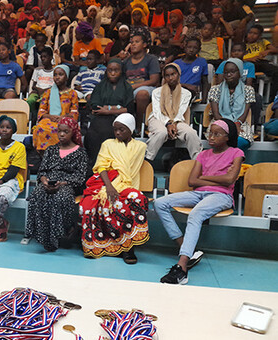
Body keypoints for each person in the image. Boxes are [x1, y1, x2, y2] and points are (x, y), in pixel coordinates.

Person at [155, 119, 244, 285]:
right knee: (160, 203)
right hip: (198, 194)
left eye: (217, 134)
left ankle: (181, 268)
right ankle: (187, 249)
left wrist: (204, 178)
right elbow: (192, 181)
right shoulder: (202, 154)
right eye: (210, 132)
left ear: (227, 137)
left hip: (221, 196)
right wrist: (217, 179)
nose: (211, 137)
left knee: (196, 214)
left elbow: (230, 180)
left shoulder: (236, 153)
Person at [79, 114, 149, 263]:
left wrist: (119, 185)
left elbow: (130, 170)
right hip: (106, 184)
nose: (117, 133)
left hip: (126, 184)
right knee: (93, 205)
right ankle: (97, 245)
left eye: (122, 130)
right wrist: (109, 187)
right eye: (115, 130)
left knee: (136, 199)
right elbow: (101, 166)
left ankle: (129, 248)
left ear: (131, 129)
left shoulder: (140, 146)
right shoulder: (108, 144)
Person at [26, 117, 88, 251]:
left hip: (67, 185)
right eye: (59, 131)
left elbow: (80, 177)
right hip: (48, 182)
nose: (61, 134)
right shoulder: (50, 150)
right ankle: (43, 236)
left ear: (73, 132)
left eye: (66, 131)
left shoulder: (81, 153)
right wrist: (45, 181)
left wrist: (62, 183)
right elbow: (42, 171)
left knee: (60, 198)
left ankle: (58, 236)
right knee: (38, 194)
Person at [146, 63, 202, 162]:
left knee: (191, 133)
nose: (170, 78)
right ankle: (147, 159)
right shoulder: (156, 92)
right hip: (157, 118)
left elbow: (181, 111)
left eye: (173, 74)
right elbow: (157, 111)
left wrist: (173, 123)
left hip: (177, 119)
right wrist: (167, 123)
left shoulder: (186, 93)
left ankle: (198, 161)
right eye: (167, 75)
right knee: (161, 132)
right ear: (164, 78)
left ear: (178, 75)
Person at [85, 59, 134, 167]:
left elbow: (129, 109)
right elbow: (95, 106)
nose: (112, 73)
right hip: (101, 118)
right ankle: (95, 166)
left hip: (121, 119)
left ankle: (111, 166)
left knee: (110, 131)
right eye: (110, 70)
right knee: (93, 134)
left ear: (121, 71)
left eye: (116, 70)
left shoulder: (127, 87)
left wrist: (108, 109)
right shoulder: (100, 86)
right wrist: (118, 107)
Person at [208, 58, 255, 151]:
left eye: (233, 72)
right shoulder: (215, 89)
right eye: (226, 72)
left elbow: (245, 113)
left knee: (242, 141)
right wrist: (228, 127)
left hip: (240, 123)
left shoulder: (248, 90)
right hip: (219, 124)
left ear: (240, 72)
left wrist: (236, 124)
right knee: (219, 139)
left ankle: (231, 162)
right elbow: (216, 115)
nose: (229, 75)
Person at [32, 65, 79, 152]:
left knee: (62, 129)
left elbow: (74, 112)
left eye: (60, 74)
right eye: (55, 75)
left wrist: (63, 117)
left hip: (66, 120)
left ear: (67, 77)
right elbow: (41, 110)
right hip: (49, 119)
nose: (57, 77)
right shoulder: (48, 92)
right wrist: (50, 117)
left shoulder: (72, 93)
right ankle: (45, 155)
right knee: (40, 128)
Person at [124, 31, 160, 131]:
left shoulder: (151, 59)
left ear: (144, 45)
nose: (133, 44)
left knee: (142, 94)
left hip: (147, 87)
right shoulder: (126, 61)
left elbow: (154, 80)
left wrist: (135, 86)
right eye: (132, 42)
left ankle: (140, 127)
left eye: (137, 42)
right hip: (129, 88)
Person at [244, 24, 278, 100]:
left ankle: (272, 98)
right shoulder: (243, 44)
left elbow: (276, 50)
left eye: (255, 34)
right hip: (247, 63)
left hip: (260, 62)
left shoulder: (263, 42)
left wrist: (268, 50)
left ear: (259, 36)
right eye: (250, 33)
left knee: (276, 71)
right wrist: (250, 59)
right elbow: (235, 57)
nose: (251, 35)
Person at [174, 38, 209, 102]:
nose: (191, 50)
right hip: (177, 90)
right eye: (189, 47)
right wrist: (186, 86)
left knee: (186, 94)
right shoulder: (176, 63)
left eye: (195, 48)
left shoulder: (202, 62)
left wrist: (204, 100)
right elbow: (172, 82)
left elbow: (205, 83)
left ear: (199, 50)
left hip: (193, 93)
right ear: (185, 48)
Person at [27, 47, 55, 124]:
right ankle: (33, 115)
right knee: (30, 100)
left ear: (51, 58)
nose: (42, 59)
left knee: (43, 100)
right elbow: (33, 85)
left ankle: (41, 118)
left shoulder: (55, 71)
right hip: (37, 90)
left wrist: (44, 91)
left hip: (48, 92)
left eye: (45, 57)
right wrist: (38, 90)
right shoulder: (37, 70)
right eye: (41, 57)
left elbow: (54, 86)